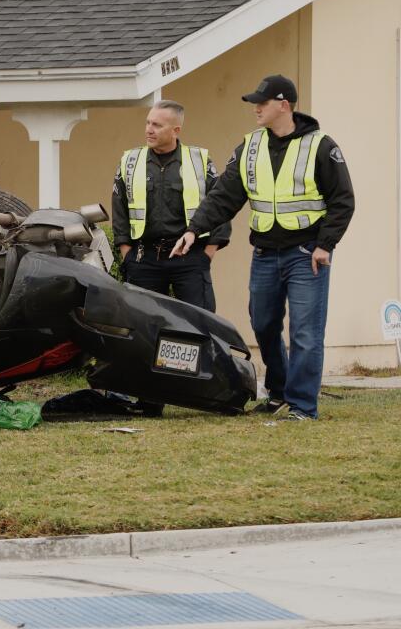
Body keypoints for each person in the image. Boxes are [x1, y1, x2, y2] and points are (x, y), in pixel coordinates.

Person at [171, 75, 354, 421]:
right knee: (264, 323)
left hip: (306, 256)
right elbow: (224, 196)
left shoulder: (320, 146)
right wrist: (195, 230)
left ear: (283, 105)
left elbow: (343, 200)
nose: (255, 108)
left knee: (304, 332)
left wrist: (324, 245)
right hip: (266, 255)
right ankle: (280, 391)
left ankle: (301, 406)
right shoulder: (249, 147)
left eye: (262, 102)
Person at [112, 100, 229, 310]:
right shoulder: (130, 161)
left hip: (189, 258)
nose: (149, 129)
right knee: (143, 327)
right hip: (143, 258)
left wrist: (207, 254)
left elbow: (219, 204)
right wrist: (126, 253)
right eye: (148, 123)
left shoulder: (199, 161)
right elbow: (119, 208)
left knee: (199, 325)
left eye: (157, 125)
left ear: (176, 130)